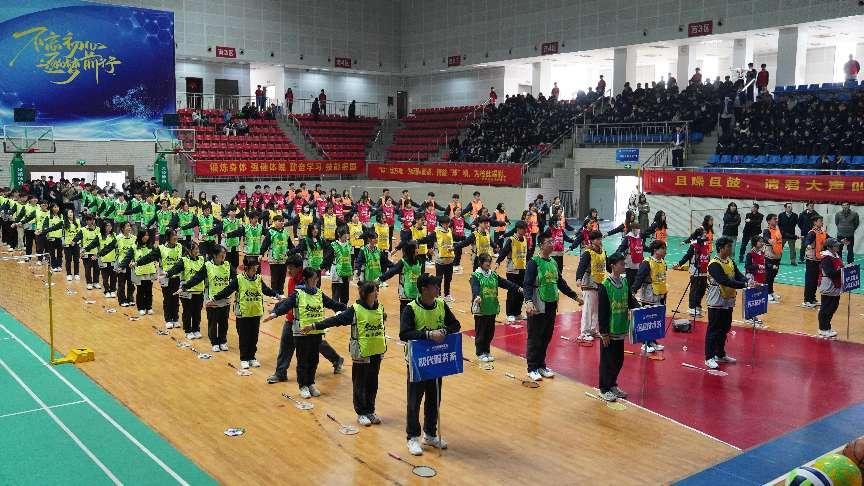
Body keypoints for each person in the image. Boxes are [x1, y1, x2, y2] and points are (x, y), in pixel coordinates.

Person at [302, 281, 386, 426]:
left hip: (376, 352)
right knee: (360, 384)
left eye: (377, 290)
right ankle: (361, 413)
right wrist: (315, 326)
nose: (377, 293)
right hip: (361, 353)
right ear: (366, 294)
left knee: (372, 384)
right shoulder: (355, 310)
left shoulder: (380, 308)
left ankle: (370, 411)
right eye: (374, 291)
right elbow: (336, 320)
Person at [399, 273, 461, 456]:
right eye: (434, 286)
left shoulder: (441, 304)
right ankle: (412, 437)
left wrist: (444, 331)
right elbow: (404, 334)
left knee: (434, 399)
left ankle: (430, 434)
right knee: (414, 401)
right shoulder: (410, 309)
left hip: (436, 361)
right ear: (424, 289)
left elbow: (455, 324)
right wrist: (427, 335)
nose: (438, 288)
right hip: (417, 363)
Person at [265, 268, 346, 398]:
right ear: (306, 279)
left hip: (316, 331)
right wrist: (275, 313)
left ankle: (310, 383)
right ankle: (303, 385)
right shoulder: (298, 293)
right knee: (303, 361)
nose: (316, 280)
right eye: (314, 278)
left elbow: (332, 304)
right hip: (301, 333)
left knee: (314, 360)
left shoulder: (319, 293)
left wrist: (348, 309)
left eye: (317, 278)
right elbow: (286, 305)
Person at [523, 231, 583, 381]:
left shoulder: (553, 262)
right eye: (549, 242)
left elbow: (560, 283)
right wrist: (528, 301)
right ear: (541, 245)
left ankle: (541, 365)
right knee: (535, 336)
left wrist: (574, 296)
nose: (552, 244)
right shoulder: (533, 262)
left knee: (546, 336)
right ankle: (532, 368)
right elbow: (527, 284)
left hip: (551, 304)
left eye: (552, 241)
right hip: (537, 305)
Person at [211, 256, 279, 369]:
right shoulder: (239, 279)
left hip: (255, 313)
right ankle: (244, 358)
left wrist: (276, 295)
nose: (256, 269)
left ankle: (252, 357)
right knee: (244, 337)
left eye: (256, 267)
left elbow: (266, 290)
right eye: (254, 267)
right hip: (243, 313)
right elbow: (227, 290)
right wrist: (214, 298)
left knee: (254, 337)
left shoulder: (258, 278)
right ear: (247, 268)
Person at [597, 253, 639, 402]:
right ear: (613, 266)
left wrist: (641, 310)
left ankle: (612, 384)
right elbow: (602, 311)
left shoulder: (624, 281)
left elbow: (630, 300)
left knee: (618, 360)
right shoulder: (605, 285)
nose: (624, 266)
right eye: (621, 264)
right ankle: (604, 388)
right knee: (607, 361)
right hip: (609, 330)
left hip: (621, 327)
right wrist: (604, 332)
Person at [704, 237, 748, 370]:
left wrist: (747, 281)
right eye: (728, 246)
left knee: (724, 328)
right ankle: (709, 357)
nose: (731, 249)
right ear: (721, 248)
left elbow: (738, 275)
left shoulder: (730, 261)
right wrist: (744, 285)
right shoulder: (714, 264)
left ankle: (720, 354)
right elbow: (724, 280)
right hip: (716, 301)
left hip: (728, 300)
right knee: (714, 329)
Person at [470, 254, 521, 362]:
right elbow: (475, 287)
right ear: (481, 263)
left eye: (490, 261)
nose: (489, 263)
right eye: (487, 261)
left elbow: (505, 283)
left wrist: (517, 288)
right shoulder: (476, 275)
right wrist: (477, 296)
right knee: (481, 332)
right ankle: (480, 352)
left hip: (492, 307)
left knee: (490, 332)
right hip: (481, 309)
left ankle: (487, 351)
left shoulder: (493, 275)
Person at [181, 245, 232, 352]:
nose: (223, 256)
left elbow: (236, 279)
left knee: (224, 323)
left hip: (225, 300)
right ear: (214, 255)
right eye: (221, 255)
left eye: (224, 254)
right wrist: (185, 286)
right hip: (212, 300)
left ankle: (222, 341)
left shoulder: (227, 265)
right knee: (213, 322)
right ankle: (214, 342)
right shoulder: (208, 265)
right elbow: (197, 278)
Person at [674, 216, 714, 316]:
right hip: (695, 269)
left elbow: (707, 256)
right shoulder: (694, 245)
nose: (705, 234)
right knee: (695, 289)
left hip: (704, 269)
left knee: (702, 289)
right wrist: (679, 264)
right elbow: (687, 256)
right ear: (699, 235)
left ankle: (698, 305)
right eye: (704, 233)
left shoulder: (705, 244)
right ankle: (692, 307)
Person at [633, 240, 668, 353]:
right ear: (655, 250)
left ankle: (652, 341)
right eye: (662, 248)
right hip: (649, 295)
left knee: (656, 319)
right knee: (647, 320)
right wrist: (633, 290)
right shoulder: (647, 263)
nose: (665, 251)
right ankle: (645, 343)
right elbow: (639, 277)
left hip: (660, 294)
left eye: (665, 248)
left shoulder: (663, 262)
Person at [167, 241, 206, 340]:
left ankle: (196, 329)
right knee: (188, 311)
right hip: (186, 291)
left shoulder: (202, 259)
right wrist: (167, 274)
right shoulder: (184, 260)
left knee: (197, 311)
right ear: (189, 250)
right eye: (195, 249)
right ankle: (188, 330)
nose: (197, 251)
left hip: (199, 290)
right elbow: (175, 269)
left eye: (198, 248)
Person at [496, 221, 529, 322]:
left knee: (521, 292)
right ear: (518, 229)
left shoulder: (525, 239)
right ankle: (509, 313)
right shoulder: (511, 240)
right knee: (512, 292)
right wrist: (498, 261)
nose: (525, 231)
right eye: (523, 229)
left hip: (522, 269)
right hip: (512, 271)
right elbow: (504, 252)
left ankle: (517, 313)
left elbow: (526, 254)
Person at [817, 238, 844, 339]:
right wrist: (843, 270)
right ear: (829, 247)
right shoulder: (826, 258)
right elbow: (829, 273)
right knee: (826, 308)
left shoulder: (835, 255)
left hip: (835, 286)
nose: (838, 247)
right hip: (828, 285)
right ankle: (823, 329)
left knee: (833, 307)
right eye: (835, 246)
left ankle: (827, 327)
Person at [802, 216, 831, 308]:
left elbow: (830, 240)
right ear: (815, 222)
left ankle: (812, 298)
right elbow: (807, 241)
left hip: (819, 259)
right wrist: (808, 245)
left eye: (822, 221)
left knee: (815, 280)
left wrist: (840, 241)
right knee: (810, 280)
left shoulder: (823, 232)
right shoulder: (812, 233)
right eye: (820, 221)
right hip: (811, 260)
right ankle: (807, 300)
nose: (822, 222)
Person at [744, 236, 768, 327]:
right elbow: (747, 266)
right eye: (760, 241)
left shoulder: (762, 253)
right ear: (755, 243)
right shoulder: (750, 254)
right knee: (751, 298)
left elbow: (764, 265)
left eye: (762, 241)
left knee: (757, 298)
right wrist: (757, 266)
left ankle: (753, 316)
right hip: (752, 278)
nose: (762, 243)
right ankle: (749, 317)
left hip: (760, 278)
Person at [761, 214, 783, 304]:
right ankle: (766, 293)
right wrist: (769, 240)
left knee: (773, 275)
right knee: (768, 275)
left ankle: (771, 291)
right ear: (769, 221)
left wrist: (795, 237)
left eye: (776, 219)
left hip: (777, 256)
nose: (776, 220)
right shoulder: (766, 230)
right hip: (769, 256)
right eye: (774, 219)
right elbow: (765, 237)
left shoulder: (777, 229)